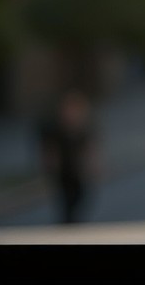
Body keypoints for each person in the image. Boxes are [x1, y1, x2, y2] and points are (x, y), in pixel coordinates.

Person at [37, 87, 100, 224]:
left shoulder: (82, 127)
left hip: (77, 169)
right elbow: (50, 150)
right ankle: (67, 222)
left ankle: (71, 221)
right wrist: (50, 165)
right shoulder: (55, 129)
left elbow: (89, 147)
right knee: (66, 198)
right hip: (63, 170)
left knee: (80, 195)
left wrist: (93, 166)